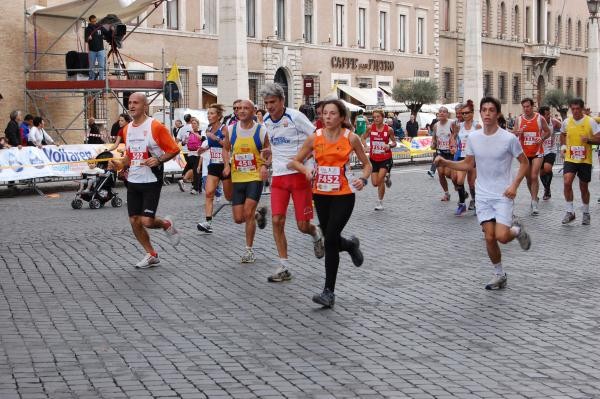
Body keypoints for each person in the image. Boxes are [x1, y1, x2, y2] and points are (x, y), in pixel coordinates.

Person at [434, 96, 531, 290]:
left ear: (497, 114)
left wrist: (514, 185)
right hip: (483, 194)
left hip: (503, 194)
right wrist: (446, 163)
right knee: (489, 237)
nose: (487, 113)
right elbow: (468, 164)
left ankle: (517, 230)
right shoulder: (474, 138)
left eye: (491, 110)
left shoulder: (508, 138)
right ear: (481, 113)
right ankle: (499, 274)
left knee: (502, 237)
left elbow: (525, 163)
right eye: (484, 110)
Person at [289, 99, 372, 307]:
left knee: (331, 237)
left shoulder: (351, 138)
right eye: (324, 113)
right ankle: (351, 244)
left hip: (344, 194)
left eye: (332, 113)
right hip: (321, 194)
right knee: (331, 240)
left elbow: (367, 164)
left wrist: (362, 179)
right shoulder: (315, 138)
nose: (327, 117)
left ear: (342, 117)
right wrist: (306, 170)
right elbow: (295, 161)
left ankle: (328, 292)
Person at [259, 82, 325, 283]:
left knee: (302, 225)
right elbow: (272, 144)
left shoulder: (295, 117)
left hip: (299, 176)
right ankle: (284, 266)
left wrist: (310, 164)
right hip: (278, 177)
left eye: (272, 102)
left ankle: (315, 233)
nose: (269, 106)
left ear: (282, 101)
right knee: (277, 221)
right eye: (266, 103)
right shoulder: (267, 122)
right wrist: (267, 160)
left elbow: (317, 137)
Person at [112, 92, 180, 268]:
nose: (132, 106)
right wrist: (119, 164)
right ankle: (151, 254)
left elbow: (174, 149)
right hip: (133, 180)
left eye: (136, 103)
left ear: (145, 106)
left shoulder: (155, 126)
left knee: (147, 221)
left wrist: (158, 160)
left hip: (151, 179)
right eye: (129, 102)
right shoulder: (126, 129)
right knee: (134, 220)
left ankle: (166, 223)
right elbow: (130, 156)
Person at [225, 99, 270, 263]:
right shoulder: (230, 129)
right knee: (238, 218)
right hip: (237, 177)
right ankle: (258, 215)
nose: (242, 111)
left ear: (253, 111)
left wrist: (265, 165)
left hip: (254, 177)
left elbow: (269, 150)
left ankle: (249, 250)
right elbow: (225, 148)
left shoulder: (261, 130)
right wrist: (226, 165)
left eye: (246, 108)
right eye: (239, 108)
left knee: (248, 212)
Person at [560, 98, 600, 225]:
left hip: (585, 160)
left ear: (582, 109)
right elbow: (562, 134)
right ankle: (570, 212)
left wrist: (588, 140)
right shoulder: (567, 122)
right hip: (570, 158)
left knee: (583, 187)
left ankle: (586, 212)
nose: (575, 111)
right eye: (573, 109)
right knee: (567, 182)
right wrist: (563, 147)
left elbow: (599, 138)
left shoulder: (591, 122)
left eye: (578, 109)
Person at [197, 104, 233, 233]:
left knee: (230, 197)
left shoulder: (225, 129)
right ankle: (208, 222)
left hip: (225, 165)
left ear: (218, 116)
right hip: (213, 164)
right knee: (209, 193)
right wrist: (204, 149)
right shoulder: (209, 128)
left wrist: (216, 138)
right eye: (208, 113)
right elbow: (211, 145)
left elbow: (228, 146)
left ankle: (253, 211)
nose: (209, 116)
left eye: (212, 113)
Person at [513, 98, 551, 215]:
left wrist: (542, 138)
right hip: (524, 154)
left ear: (532, 106)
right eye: (524, 107)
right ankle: (533, 197)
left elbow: (548, 132)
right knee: (529, 179)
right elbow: (514, 133)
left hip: (537, 152)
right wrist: (517, 132)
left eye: (528, 106)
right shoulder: (519, 119)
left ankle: (534, 203)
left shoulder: (540, 118)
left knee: (534, 176)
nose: (526, 109)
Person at [362, 109, 396, 210]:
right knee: (375, 183)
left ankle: (380, 203)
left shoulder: (389, 129)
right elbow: (362, 137)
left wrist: (389, 146)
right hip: (373, 158)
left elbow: (394, 142)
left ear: (383, 117)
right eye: (374, 117)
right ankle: (387, 178)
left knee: (379, 180)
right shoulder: (370, 128)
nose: (376, 119)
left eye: (378, 117)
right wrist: (365, 146)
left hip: (385, 158)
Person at [452, 100, 481, 215]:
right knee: (459, 180)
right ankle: (462, 204)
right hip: (461, 156)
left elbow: (482, 141)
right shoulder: (458, 126)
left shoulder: (477, 126)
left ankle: (475, 201)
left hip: (473, 157)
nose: (464, 115)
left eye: (467, 113)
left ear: (472, 113)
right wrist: (453, 146)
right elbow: (454, 137)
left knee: (471, 183)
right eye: (462, 113)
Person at [431, 107, 454, 201]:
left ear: (447, 114)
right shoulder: (436, 125)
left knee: (449, 174)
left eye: (444, 112)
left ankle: (459, 186)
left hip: (450, 153)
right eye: (440, 112)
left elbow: (457, 136)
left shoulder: (452, 123)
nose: (442, 113)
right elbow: (434, 138)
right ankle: (446, 194)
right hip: (440, 152)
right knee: (441, 174)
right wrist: (433, 143)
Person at [539, 106, 562, 200]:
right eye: (547, 114)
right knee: (541, 173)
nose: (549, 116)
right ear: (541, 115)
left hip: (551, 149)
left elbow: (564, 127)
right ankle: (547, 189)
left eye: (549, 114)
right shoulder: (537, 122)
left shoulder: (554, 122)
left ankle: (547, 189)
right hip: (540, 150)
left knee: (547, 169)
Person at [185, 117, 203, 194]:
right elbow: (185, 143)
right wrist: (185, 141)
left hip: (198, 153)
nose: (193, 125)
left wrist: (194, 133)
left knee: (196, 171)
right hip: (191, 153)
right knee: (195, 171)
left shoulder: (201, 132)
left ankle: (195, 188)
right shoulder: (189, 133)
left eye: (195, 123)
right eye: (192, 123)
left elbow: (202, 139)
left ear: (198, 124)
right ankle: (198, 187)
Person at [84, 15, 106, 80]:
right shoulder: (87, 29)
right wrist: (88, 38)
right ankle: (91, 79)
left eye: (95, 21)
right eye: (93, 21)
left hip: (101, 50)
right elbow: (86, 40)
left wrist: (112, 28)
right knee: (91, 66)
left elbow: (107, 31)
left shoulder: (100, 27)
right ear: (90, 21)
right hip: (92, 50)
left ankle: (101, 79)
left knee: (101, 66)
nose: (94, 22)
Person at [176, 114, 194, 192]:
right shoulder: (193, 127)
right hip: (193, 150)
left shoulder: (182, 129)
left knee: (190, 165)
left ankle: (192, 184)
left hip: (184, 150)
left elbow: (177, 140)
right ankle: (183, 180)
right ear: (191, 119)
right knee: (193, 167)